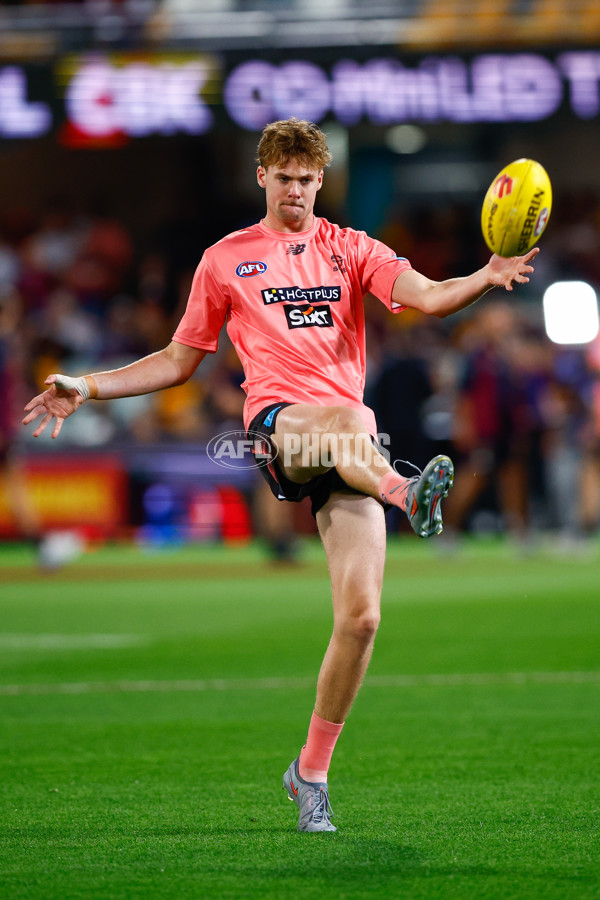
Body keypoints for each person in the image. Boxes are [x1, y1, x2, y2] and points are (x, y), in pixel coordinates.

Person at [22, 118, 539, 833]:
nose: (295, 191)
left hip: (348, 447)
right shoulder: (226, 259)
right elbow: (178, 359)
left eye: (307, 180)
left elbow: (424, 296)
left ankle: (311, 772)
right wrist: (89, 383)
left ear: (320, 181)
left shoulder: (350, 247)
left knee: (361, 619)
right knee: (346, 422)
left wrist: (483, 276)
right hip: (282, 430)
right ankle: (404, 491)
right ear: (263, 176)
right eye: (283, 178)